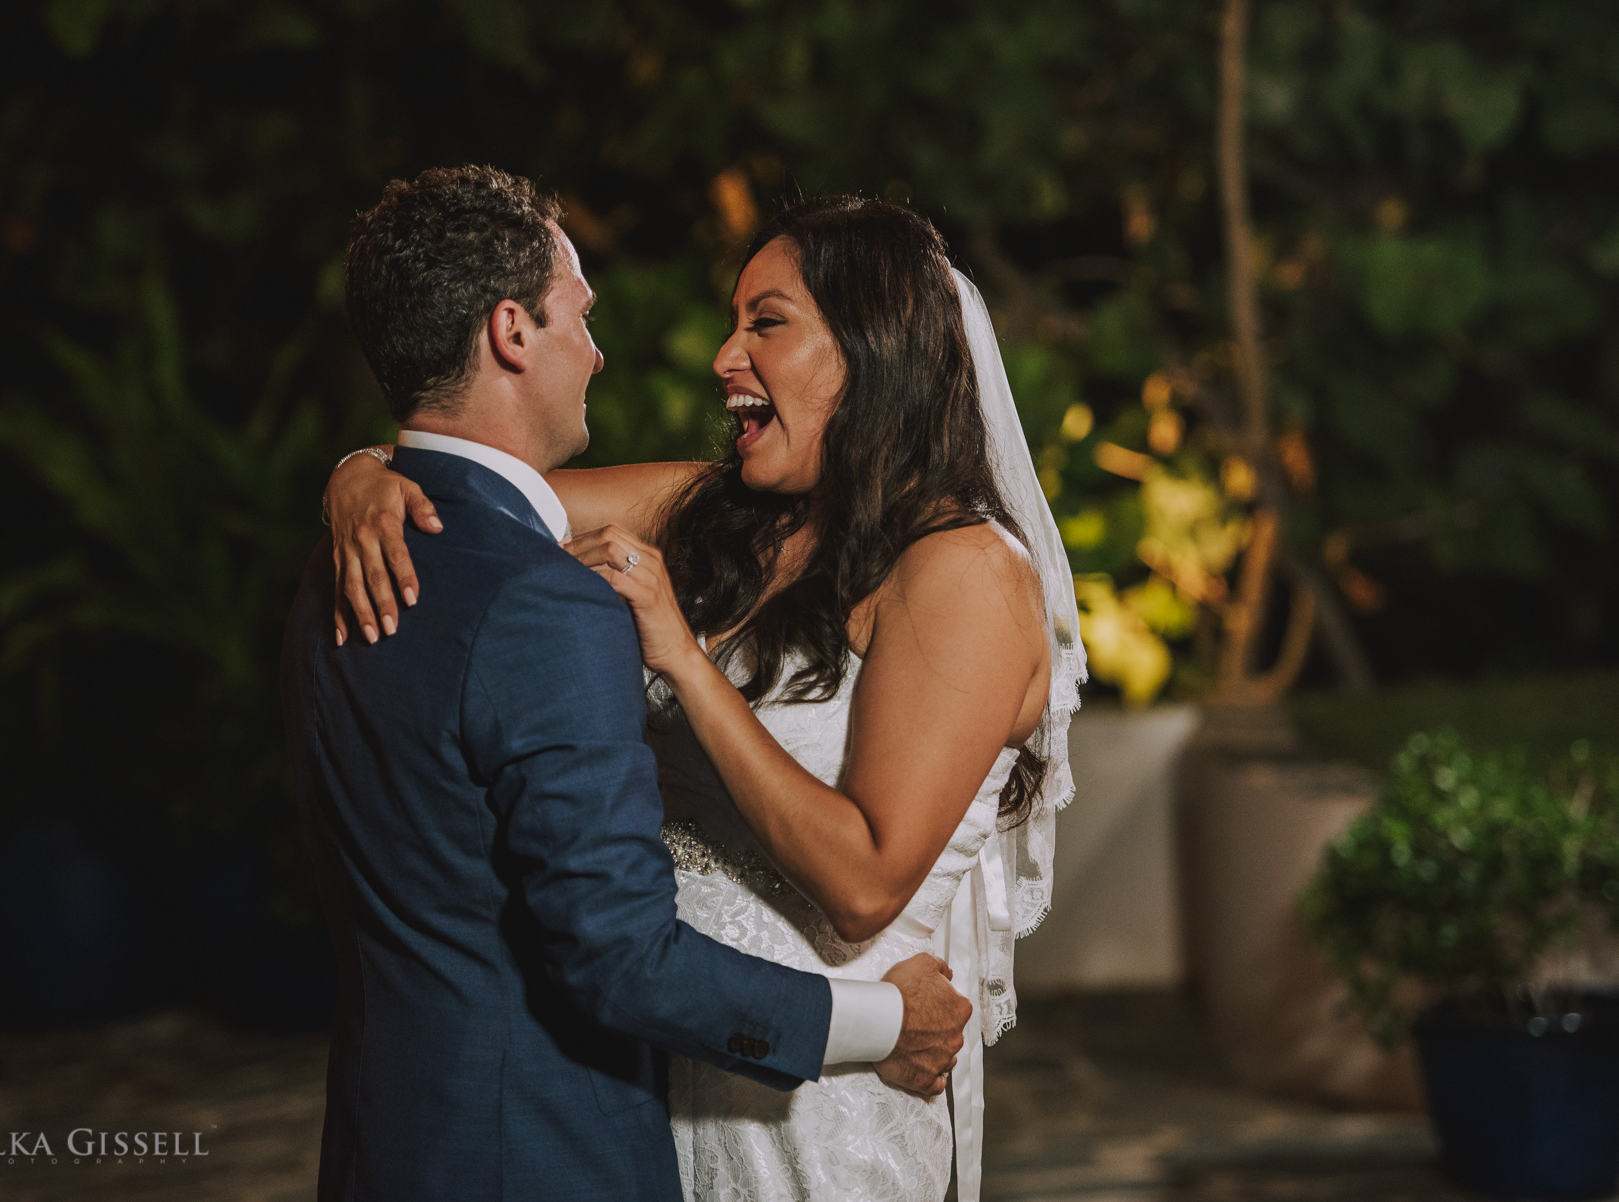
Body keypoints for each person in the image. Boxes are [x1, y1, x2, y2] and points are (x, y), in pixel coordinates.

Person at [324, 192, 1088, 1201]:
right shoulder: (714, 512)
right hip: (662, 1060)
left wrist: (681, 659)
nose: (727, 358)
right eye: (734, 324)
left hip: (824, 1100)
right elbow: (477, 493)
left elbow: (865, 878)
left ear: (875, 346)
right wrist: (362, 472)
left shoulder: (963, 571)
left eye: (766, 323)